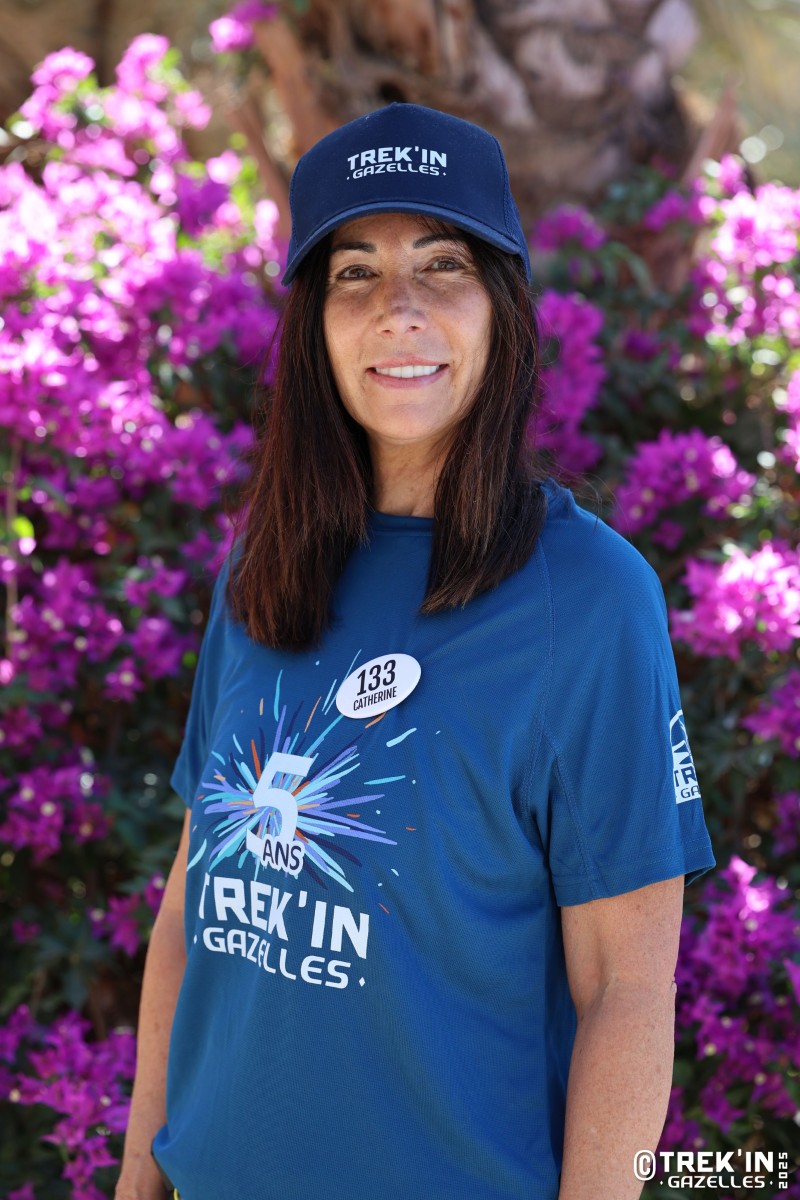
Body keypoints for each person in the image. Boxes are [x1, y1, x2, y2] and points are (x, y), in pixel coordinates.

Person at [116, 102, 716, 1200]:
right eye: (355, 273)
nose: (398, 308)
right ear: (313, 325)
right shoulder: (261, 565)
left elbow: (625, 990)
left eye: (442, 264)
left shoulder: (587, 600)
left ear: (502, 309)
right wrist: (136, 1175)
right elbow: (189, 905)